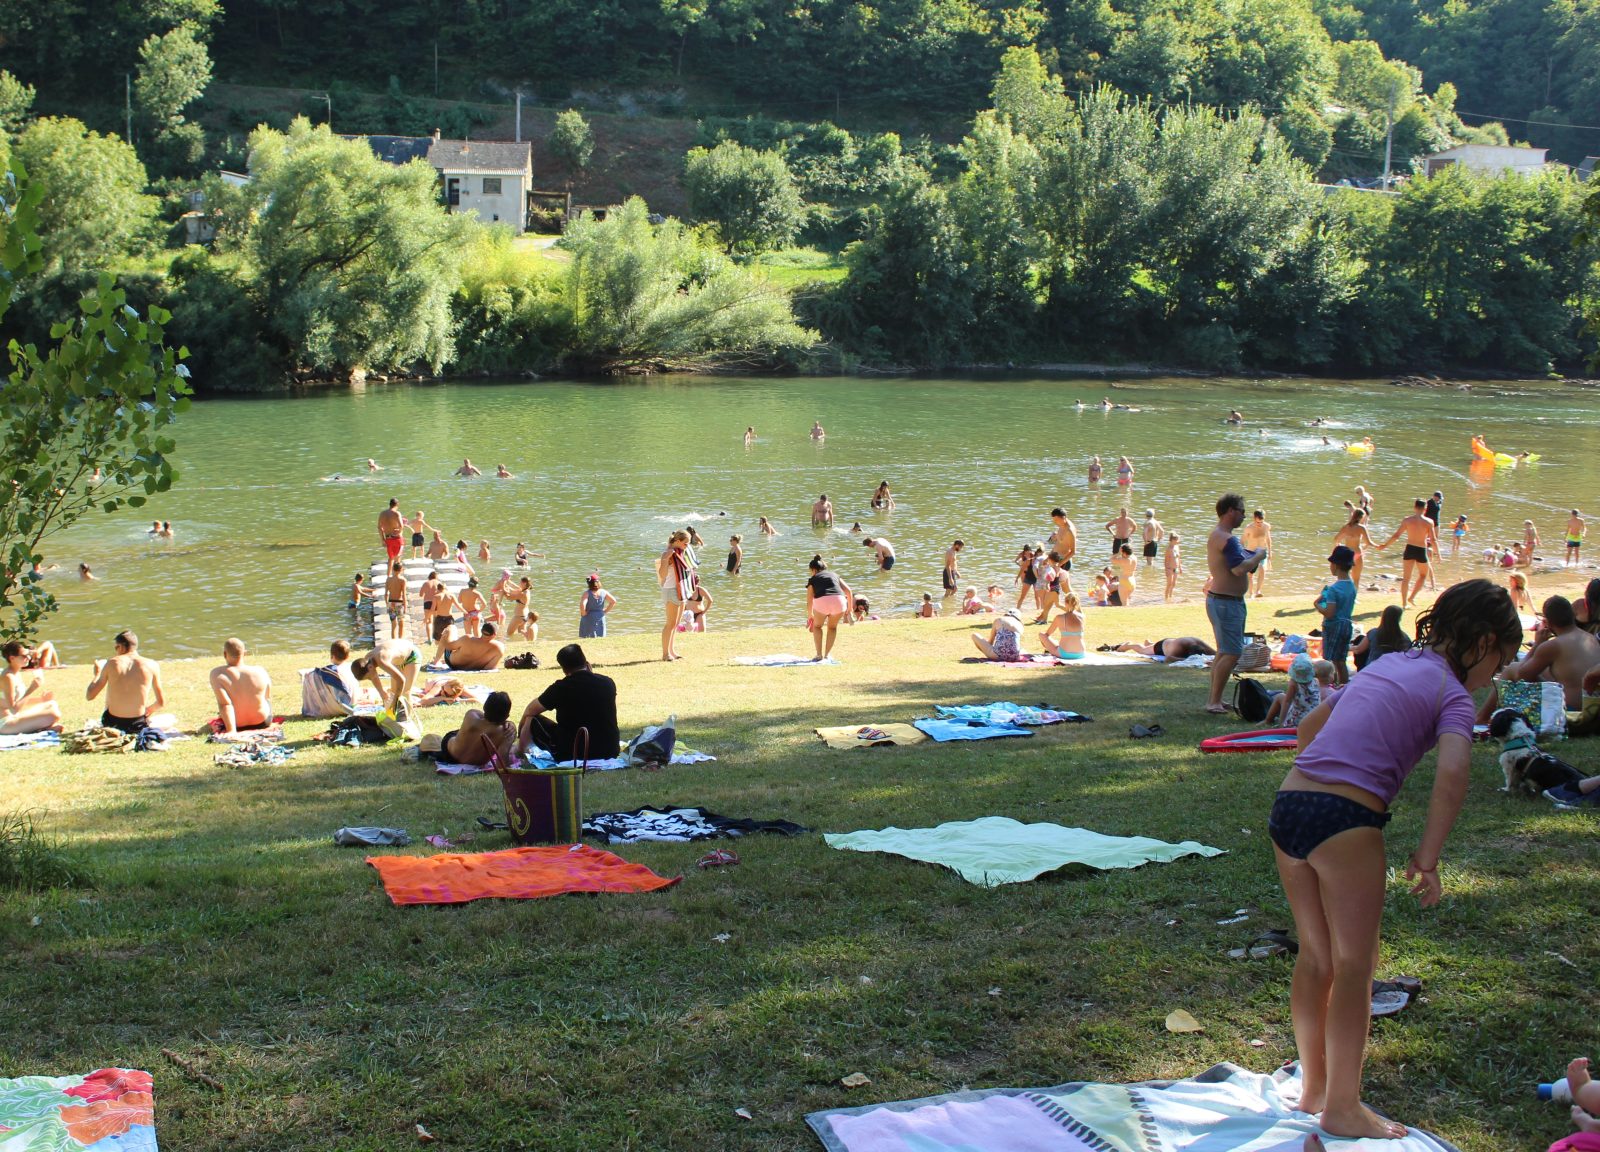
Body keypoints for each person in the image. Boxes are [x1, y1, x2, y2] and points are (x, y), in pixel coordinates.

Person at [1270, 579, 1519, 1140]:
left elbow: (1308, 729)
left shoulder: (1384, 664)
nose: (1494, 677)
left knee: (1316, 957)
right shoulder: (1453, 695)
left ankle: (1312, 1088)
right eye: (1499, 662)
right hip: (1346, 820)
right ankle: (1342, 1106)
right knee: (1356, 966)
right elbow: (1453, 774)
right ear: (1482, 642)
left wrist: (1320, 779)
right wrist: (1428, 857)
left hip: (1290, 805)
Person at [1205, 492, 1268, 715]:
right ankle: (1213, 702)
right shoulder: (1228, 539)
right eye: (1241, 510)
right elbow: (1239, 569)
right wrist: (1259, 556)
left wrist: (1250, 557)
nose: (1244, 515)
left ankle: (1216, 699)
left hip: (1221, 601)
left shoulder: (1218, 534)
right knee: (1232, 652)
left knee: (1224, 651)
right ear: (1230, 511)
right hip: (1226, 602)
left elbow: (1237, 563)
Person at [1484, 595, 1600, 714]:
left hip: (1570, 711)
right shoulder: (1590, 638)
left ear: (1548, 622)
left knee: (1512, 669)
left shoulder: (1553, 646)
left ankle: (1482, 717)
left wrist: (1537, 644)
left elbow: (1521, 675)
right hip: (1593, 708)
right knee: (1543, 669)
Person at [517, 643, 619, 761]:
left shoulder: (560, 688)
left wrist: (520, 731)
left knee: (531, 718)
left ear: (564, 670)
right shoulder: (607, 683)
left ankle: (520, 749)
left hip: (573, 753)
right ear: (586, 663)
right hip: (610, 750)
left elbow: (530, 710)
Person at [85, 630, 165, 734]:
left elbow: (90, 696)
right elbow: (160, 703)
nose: (115, 651)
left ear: (121, 647)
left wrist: (97, 674)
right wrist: (148, 711)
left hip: (112, 723)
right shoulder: (152, 664)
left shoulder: (112, 663)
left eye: (116, 647)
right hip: (137, 724)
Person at [1376, 499, 1440, 608]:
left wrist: (1384, 545)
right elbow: (1433, 540)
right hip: (1421, 550)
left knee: (1406, 578)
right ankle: (1412, 597)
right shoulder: (1429, 522)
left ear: (1414, 507)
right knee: (1423, 575)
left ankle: (1404, 603)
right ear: (1425, 509)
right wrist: (1438, 553)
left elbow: (1396, 536)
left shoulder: (1407, 520)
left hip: (1409, 548)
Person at [207, 638, 274, 733]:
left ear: (225, 654)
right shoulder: (260, 670)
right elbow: (267, 696)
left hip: (236, 724)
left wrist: (231, 731)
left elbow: (225, 704)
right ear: (245, 653)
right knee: (265, 700)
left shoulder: (217, 674)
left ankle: (232, 724)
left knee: (222, 702)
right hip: (263, 722)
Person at [438, 691, 515, 767]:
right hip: (474, 763)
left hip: (449, 754)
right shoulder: (507, 733)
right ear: (507, 715)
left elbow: (487, 719)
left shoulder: (471, 714)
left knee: (466, 732)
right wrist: (511, 725)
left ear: (484, 707)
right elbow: (502, 761)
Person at [0, 640, 63, 734]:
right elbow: (13, 709)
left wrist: (41, 699)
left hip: (15, 716)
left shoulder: (15, 672)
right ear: (12, 658)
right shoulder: (8, 677)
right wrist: (32, 688)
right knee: (54, 713)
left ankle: (41, 728)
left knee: (51, 704)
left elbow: (18, 701)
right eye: (24, 656)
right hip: (6, 723)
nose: (29, 658)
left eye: (28, 654)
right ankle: (42, 729)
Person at [1317, 546, 1358, 685]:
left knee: (1333, 661)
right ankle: (1344, 687)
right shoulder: (1352, 586)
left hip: (1334, 626)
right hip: (1347, 624)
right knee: (1341, 661)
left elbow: (1329, 613)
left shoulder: (1334, 589)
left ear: (1336, 565)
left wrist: (1317, 604)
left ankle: (1332, 687)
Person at [350, 638, 421, 712]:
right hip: (398, 660)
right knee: (393, 692)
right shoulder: (367, 660)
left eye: (368, 677)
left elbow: (401, 680)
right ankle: (396, 718)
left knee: (405, 692)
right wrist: (382, 693)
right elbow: (373, 676)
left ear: (370, 667)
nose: (370, 679)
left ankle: (407, 720)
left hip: (412, 655)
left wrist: (395, 702)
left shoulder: (381, 660)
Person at [804, 556, 853, 660]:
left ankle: (819, 655)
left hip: (822, 602)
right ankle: (827, 655)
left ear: (813, 570)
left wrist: (810, 615)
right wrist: (850, 609)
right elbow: (848, 591)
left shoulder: (813, 579)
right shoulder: (835, 575)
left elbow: (809, 600)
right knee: (832, 628)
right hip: (839, 602)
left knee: (817, 627)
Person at [658, 530, 695, 661]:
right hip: (671, 590)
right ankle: (665, 654)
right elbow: (662, 575)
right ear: (678, 541)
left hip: (682, 590)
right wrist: (665, 559)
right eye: (685, 543)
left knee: (676, 623)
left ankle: (672, 651)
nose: (687, 546)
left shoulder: (682, 553)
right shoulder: (668, 554)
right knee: (670, 623)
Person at [1263, 654, 1322, 728]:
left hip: (1298, 720)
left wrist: (1282, 722)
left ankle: (1268, 720)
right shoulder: (1316, 681)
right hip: (1314, 718)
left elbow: (1287, 702)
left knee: (1280, 696)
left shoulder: (1294, 684)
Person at [1351, 605, 1406, 672]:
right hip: (1394, 670)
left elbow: (1358, 650)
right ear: (1399, 619)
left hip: (1372, 669)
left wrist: (1347, 647)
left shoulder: (1374, 633)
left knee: (1360, 639)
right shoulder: (1404, 637)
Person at [432, 622, 506, 671]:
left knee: (452, 627)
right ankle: (441, 660)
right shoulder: (499, 647)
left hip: (453, 664)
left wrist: (445, 636)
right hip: (474, 667)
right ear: (494, 634)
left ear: (481, 631)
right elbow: (489, 668)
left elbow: (449, 646)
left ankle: (436, 661)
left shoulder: (468, 638)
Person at [1333, 510, 1375, 585]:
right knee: (1356, 579)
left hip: (1347, 554)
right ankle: (1354, 595)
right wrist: (1378, 546)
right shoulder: (1362, 528)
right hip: (1357, 553)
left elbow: (1336, 539)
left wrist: (1338, 546)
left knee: (1344, 578)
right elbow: (1368, 542)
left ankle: (1345, 594)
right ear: (1361, 517)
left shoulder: (1346, 527)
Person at [1039, 593, 1085, 660]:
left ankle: (1049, 650)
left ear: (1065, 603)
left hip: (1065, 653)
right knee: (1057, 642)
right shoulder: (1082, 617)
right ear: (1077, 603)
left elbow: (1047, 634)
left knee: (1041, 635)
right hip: (1081, 653)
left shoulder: (1059, 617)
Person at [1242, 510, 1273, 597]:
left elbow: (1268, 539)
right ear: (1254, 518)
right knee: (1250, 574)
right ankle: (1251, 593)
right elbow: (1243, 540)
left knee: (1262, 569)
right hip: (1251, 553)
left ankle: (1258, 591)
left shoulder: (1266, 526)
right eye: (1257, 522)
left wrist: (1270, 552)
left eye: (1261, 522)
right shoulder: (1248, 528)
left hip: (1262, 551)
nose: (1260, 524)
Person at [1114, 636, 1216, 660]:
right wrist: (1185, 660)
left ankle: (1149, 643)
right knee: (1142, 651)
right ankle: (1127, 645)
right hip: (1162, 646)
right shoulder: (1179, 651)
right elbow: (1169, 659)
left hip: (1171, 641)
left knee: (1149, 647)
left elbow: (1215, 653)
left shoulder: (1199, 642)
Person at [1048, 509, 1077, 590]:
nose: (1055, 522)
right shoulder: (1062, 524)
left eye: (1057, 520)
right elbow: (1060, 543)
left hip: (1063, 561)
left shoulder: (1070, 531)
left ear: (1063, 517)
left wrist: (1059, 564)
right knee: (1060, 588)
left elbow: (1073, 551)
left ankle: (1075, 601)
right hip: (1055, 559)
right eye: (1054, 520)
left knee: (1062, 588)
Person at [384, 561, 408, 639]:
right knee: (401, 623)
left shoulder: (388, 579)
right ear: (401, 569)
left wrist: (387, 604)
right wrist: (405, 606)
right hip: (399, 603)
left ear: (393, 569)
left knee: (393, 624)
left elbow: (386, 594)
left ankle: (393, 641)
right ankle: (400, 640)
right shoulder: (402, 580)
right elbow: (404, 594)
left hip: (391, 602)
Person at [378, 498, 404, 563]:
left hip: (388, 538)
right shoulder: (397, 513)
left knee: (391, 558)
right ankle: (397, 572)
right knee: (398, 558)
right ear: (397, 505)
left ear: (389, 504)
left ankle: (389, 573)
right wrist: (398, 532)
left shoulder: (382, 514)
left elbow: (379, 527)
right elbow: (401, 526)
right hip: (397, 538)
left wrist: (383, 540)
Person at [1164, 532, 1183, 603]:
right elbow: (1165, 560)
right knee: (1169, 584)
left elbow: (1179, 558)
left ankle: (1170, 596)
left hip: (1176, 568)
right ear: (1172, 540)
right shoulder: (1168, 549)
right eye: (1177, 540)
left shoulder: (1177, 547)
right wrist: (1166, 570)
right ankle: (1166, 598)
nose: (1178, 541)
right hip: (1170, 568)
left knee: (1174, 584)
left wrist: (1180, 567)